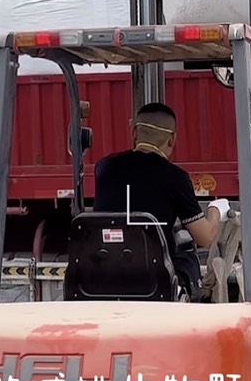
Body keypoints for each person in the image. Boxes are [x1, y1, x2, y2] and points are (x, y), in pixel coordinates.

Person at [93, 102, 230, 294]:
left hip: (105, 275)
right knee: (186, 250)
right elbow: (204, 237)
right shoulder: (175, 177)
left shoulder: (103, 168)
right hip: (154, 282)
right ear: (172, 139)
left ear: (134, 133)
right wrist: (215, 210)